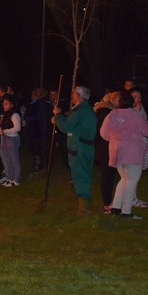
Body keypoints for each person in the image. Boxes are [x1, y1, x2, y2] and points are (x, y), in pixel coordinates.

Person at [100, 91, 148, 219]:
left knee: (124, 179)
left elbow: (104, 133)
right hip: (132, 151)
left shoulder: (112, 115)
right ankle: (126, 211)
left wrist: (115, 139)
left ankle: (116, 207)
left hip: (116, 151)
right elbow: (147, 131)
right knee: (131, 181)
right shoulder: (135, 115)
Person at [53, 86, 97, 215]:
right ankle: (85, 206)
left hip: (79, 149)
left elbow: (65, 127)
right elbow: (75, 125)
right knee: (85, 175)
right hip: (85, 147)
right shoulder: (86, 110)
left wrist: (57, 116)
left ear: (78, 95)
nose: (71, 96)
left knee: (79, 177)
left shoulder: (79, 110)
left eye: (73, 94)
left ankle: (84, 209)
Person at [92, 92, 120, 213]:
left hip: (107, 148)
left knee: (110, 176)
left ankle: (112, 201)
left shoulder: (107, 112)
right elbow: (98, 132)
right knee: (107, 177)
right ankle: (107, 204)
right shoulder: (104, 113)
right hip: (105, 150)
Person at [23, 88, 49, 173]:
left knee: (36, 150)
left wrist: (26, 116)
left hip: (35, 131)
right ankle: (39, 166)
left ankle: (38, 167)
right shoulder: (38, 104)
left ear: (35, 95)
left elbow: (34, 116)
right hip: (36, 131)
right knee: (36, 150)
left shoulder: (37, 104)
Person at [0, 95, 22, 186]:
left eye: (7, 104)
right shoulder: (6, 115)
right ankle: (10, 178)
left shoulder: (14, 115)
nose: (4, 106)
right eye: (4, 104)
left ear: (12, 105)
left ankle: (16, 179)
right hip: (6, 138)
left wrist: (6, 131)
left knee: (14, 159)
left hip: (12, 138)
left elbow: (17, 128)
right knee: (8, 160)